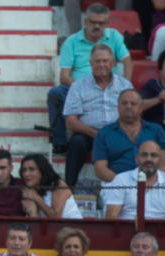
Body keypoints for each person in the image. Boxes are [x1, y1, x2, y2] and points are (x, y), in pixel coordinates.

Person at [47, 3, 132, 154]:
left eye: (101, 23)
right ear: (85, 22)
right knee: (55, 93)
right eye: (93, 22)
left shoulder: (114, 36)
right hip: (78, 88)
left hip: (110, 85)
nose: (97, 26)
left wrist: (127, 86)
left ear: (107, 23)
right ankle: (59, 142)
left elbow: (127, 61)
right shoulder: (71, 42)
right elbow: (64, 76)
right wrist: (81, 87)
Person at [62, 44, 134, 187]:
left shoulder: (125, 85)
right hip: (89, 135)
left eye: (105, 61)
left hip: (118, 132)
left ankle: (130, 188)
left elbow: (133, 114)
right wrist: (95, 133)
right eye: (97, 61)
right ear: (90, 63)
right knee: (76, 142)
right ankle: (68, 188)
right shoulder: (78, 86)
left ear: (112, 63)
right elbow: (70, 122)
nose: (101, 65)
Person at [94, 89, 165, 185]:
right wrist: (125, 184)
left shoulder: (156, 130)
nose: (128, 106)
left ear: (141, 108)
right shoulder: (104, 133)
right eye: (124, 103)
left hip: (152, 185)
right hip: (117, 185)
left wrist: (149, 182)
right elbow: (100, 169)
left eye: (133, 103)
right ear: (118, 107)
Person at [103, 140, 165, 219]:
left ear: (160, 160)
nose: (148, 159)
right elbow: (111, 218)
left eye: (153, 155)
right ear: (137, 159)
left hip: (160, 232)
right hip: (128, 231)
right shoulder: (121, 179)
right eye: (144, 155)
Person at [19, 153, 83, 219]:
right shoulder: (30, 189)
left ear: (42, 171)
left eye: (32, 169)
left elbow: (55, 218)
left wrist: (36, 197)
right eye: (24, 170)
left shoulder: (58, 184)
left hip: (73, 227)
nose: (26, 174)